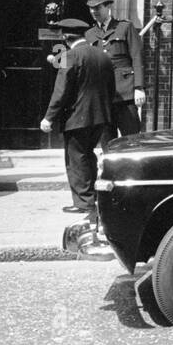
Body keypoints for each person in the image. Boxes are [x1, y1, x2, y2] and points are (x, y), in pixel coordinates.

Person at [40, 18, 116, 216]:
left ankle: (83, 202)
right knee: (88, 155)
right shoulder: (103, 55)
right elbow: (110, 87)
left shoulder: (70, 56)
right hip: (101, 116)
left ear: (66, 37)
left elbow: (61, 91)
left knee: (76, 159)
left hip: (77, 117)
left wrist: (49, 117)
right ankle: (93, 197)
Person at [84, 0, 145, 146]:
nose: (94, 11)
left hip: (125, 94)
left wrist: (139, 88)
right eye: (91, 8)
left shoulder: (125, 27)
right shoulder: (89, 34)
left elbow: (137, 57)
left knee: (132, 141)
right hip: (102, 98)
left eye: (98, 7)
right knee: (107, 144)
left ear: (107, 6)